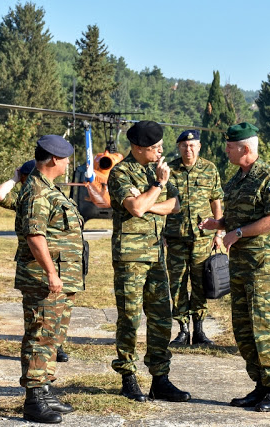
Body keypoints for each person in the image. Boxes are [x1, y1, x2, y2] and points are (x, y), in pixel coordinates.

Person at [199, 122, 270, 412]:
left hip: (261, 266)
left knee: (262, 325)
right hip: (239, 266)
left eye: (230, 147)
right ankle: (260, 385)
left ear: (246, 149)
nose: (226, 151)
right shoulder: (237, 179)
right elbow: (237, 215)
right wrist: (219, 224)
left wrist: (236, 234)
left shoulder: (267, 177)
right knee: (243, 327)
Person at [107, 120, 190, 403]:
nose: (160, 152)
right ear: (138, 148)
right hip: (130, 257)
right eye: (155, 148)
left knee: (161, 319)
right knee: (130, 318)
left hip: (156, 255)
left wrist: (147, 202)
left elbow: (174, 206)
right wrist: (157, 186)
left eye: (161, 147)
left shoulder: (158, 169)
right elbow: (135, 208)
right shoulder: (120, 173)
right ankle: (128, 377)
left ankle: (160, 378)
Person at [14, 135, 85, 424]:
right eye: (66, 159)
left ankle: (45, 391)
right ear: (54, 160)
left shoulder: (49, 188)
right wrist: (52, 273)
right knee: (40, 336)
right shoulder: (37, 192)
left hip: (60, 281)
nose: (68, 164)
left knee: (53, 337)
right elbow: (35, 237)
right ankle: (33, 401)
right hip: (44, 281)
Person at [0, 159, 71, 364]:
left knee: (57, 312)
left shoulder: (47, 193)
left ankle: (56, 346)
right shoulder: (26, 198)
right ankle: (43, 356)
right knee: (40, 317)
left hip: (58, 262)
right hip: (35, 265)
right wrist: (14, 178)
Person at [164, 129, 224, 347]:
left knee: (200, 282)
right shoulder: (169, 169)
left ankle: (199, 329)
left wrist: (219, 232)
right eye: (184, 146)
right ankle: (182, 329)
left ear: (199, 147)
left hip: (202, 237)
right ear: (178, 147)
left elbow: (216, 201)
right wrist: (161, 233)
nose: (188, 149)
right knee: (177, 283)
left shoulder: (209, 169)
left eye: (192, 145)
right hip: (175, 237)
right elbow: (161, 202)